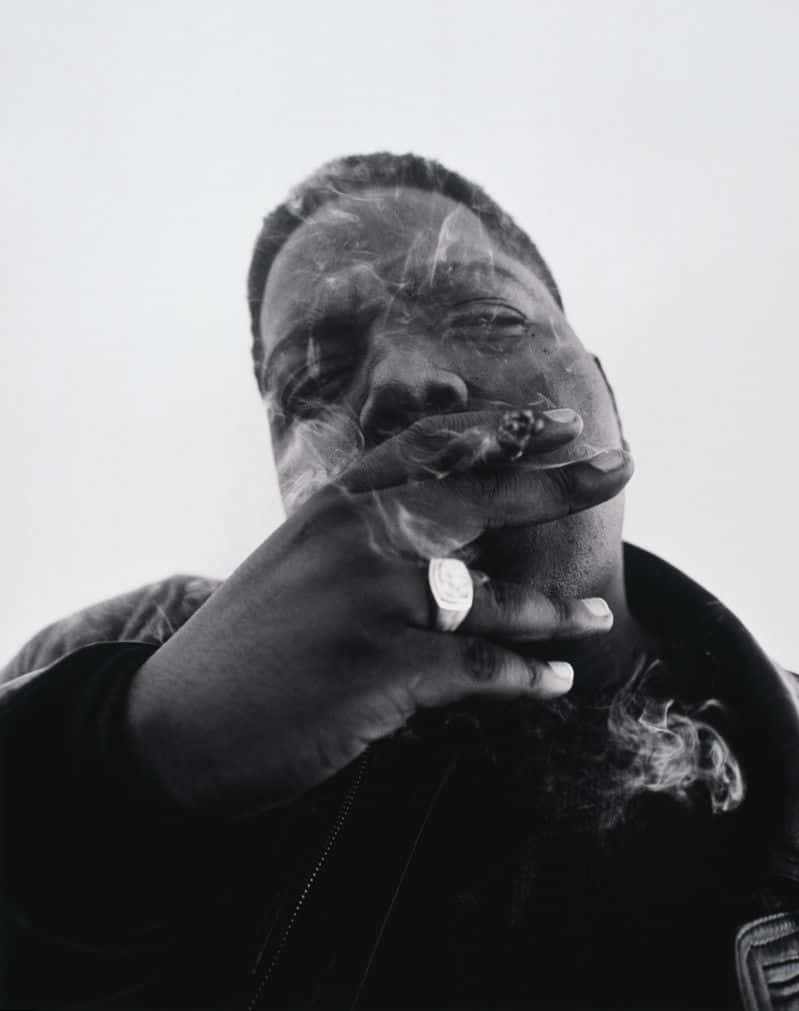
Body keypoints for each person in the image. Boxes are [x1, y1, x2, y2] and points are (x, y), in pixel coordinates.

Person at [2, 152, 798, 1011]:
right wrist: (131, 761)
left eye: (488, 317)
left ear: (607, 396)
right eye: (312, 378)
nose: (400, 381)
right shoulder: (123, 660)